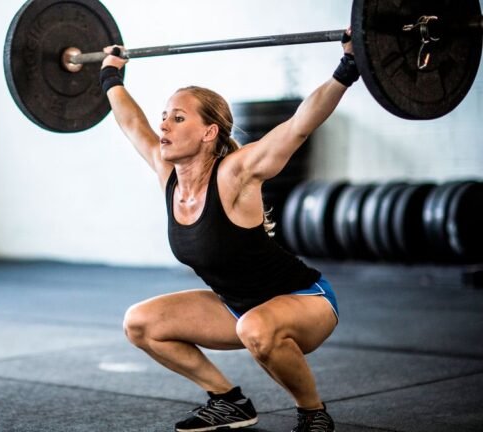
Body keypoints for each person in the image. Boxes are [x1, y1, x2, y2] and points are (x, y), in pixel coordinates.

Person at [99, 29, 359, 432]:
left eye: (178, 118)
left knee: (255, 327)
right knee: (140, 322)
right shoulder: (168, 174)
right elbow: (131, 122)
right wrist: (110, 75)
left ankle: (313, 413)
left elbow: (298, 127)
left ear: (209, 132)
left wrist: (349, 66)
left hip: (304, 301)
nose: (164, 124)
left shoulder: (235, 174)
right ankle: (228, 401)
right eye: (164, 116)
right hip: (236, 308)